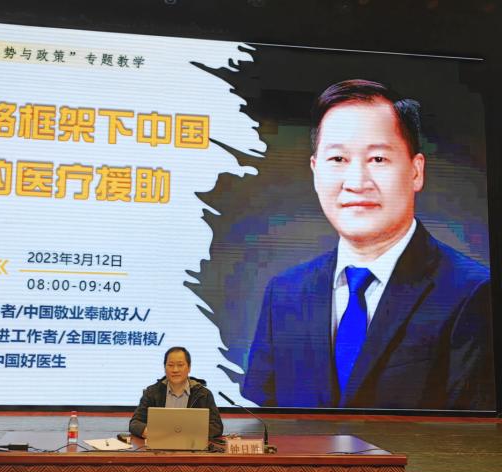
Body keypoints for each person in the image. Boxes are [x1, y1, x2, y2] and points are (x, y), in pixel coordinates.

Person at [242, 79, 494, 410]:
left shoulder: (473, 293)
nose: (357, 182)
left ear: (416, 171)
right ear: (315, 170)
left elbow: (473, 433)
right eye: (338, 159)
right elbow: (263, 422)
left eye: (377, 159)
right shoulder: (285, 293)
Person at [129, 346, 224, 438]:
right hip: (159, 445)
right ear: (164, 367)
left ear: (189, 368)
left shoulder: (203, 394)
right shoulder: (152, 392)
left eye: (180, 365)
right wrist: (148, 432)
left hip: (192, 446)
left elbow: (216, 427)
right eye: (170, 365)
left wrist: (188, 433)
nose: (175, 370)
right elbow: (135, 423)